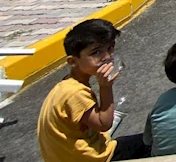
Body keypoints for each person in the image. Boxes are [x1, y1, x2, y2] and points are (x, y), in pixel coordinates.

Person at [38, 19, 121, 162]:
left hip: (83, 152)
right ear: (73, 61)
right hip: (93, 159)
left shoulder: (69, 83)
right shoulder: (74, 94)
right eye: (96, 52)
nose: (107, 57)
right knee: (151, 146)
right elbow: (104, 124)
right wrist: (105, 87)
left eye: (110, 48)